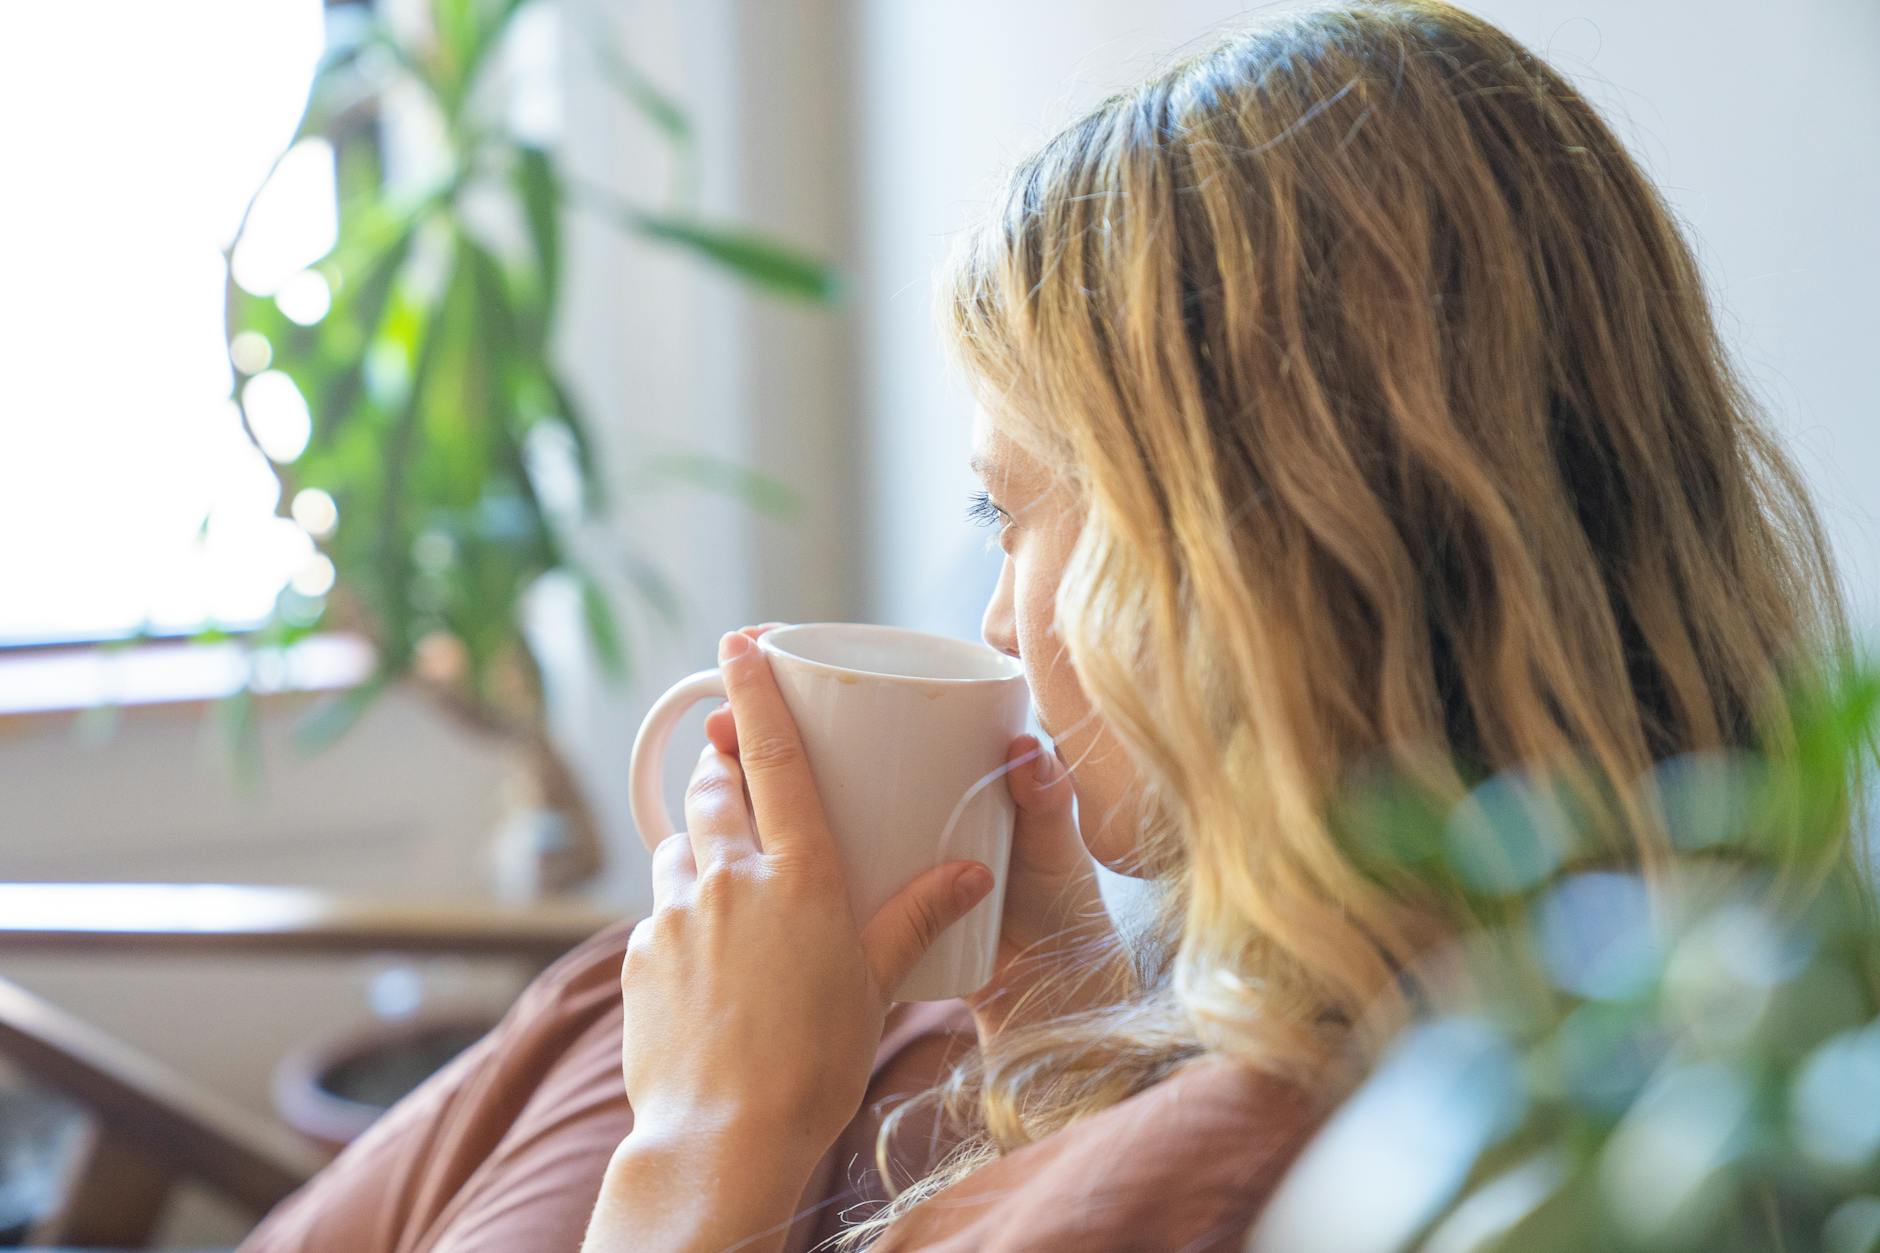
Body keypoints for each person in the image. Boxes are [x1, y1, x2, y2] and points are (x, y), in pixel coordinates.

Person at [240, 1, 1859, 1249]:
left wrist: (699, 1147)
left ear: (1239, 556)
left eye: (1013, 513)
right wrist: (1077, 1037)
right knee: (683, 1000)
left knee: (623, 1013)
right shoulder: (1664, 1024)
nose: (1004, 621)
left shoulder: (1219, 1170)